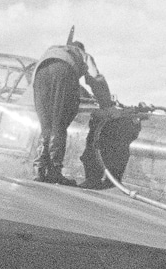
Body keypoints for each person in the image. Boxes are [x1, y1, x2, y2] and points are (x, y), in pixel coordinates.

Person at [32, 36, 112, 185]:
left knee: (45, 124)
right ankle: (54, 171)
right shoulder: (81, 54)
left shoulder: (53, 49)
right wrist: (106, 104)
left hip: (40, 73)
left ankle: (39, 169)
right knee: (59, 123)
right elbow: (95, 78)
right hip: (63, 72)